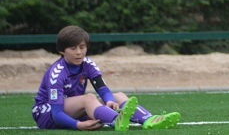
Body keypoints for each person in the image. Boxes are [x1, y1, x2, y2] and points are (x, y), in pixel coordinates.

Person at [32, 25, 181, 131]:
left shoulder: (88, 64)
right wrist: (78, 125)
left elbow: (102, 88)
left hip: (73, 110)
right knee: (88, 98)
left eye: (82, 47)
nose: (79, 52)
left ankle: (149, 119)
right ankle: (116, 121)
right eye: (73, 48)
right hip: (48, 114)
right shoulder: (57, 73)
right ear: (61, 51)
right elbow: (56, 113)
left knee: (118, 96)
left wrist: (109, 100)